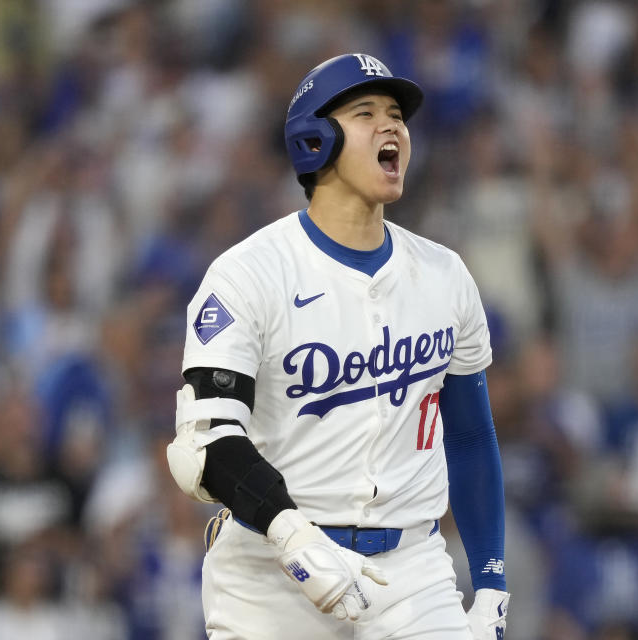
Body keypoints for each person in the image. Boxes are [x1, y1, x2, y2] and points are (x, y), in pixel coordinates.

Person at [166, 52, 510, 639]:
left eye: (397, 115)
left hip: (411, 569)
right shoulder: (248, 275)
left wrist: (491, 582)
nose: (392, 126)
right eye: (365, 111)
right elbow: (206, 444)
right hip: (269, 567)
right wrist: (291, 534)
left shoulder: (445, 274)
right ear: (314, 140)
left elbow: (472, 436)